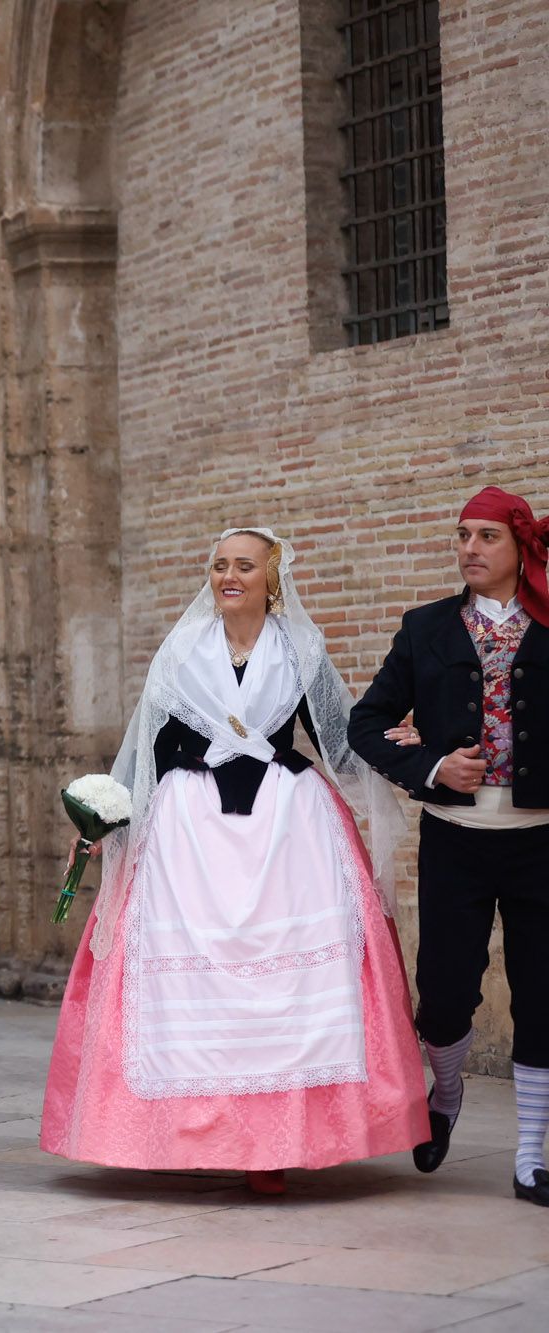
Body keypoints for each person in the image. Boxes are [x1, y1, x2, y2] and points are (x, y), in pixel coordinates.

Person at [42, 528, 426, 1194]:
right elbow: (147, 751)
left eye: (243, 566)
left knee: (286, 982)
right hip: (188, 828)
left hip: (288, 826)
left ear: (271, 576)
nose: (228, 575)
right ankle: (185, 1132)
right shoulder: (181, 650)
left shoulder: (300, 648)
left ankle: (272, 1147)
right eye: (219, 564)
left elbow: (341, 739)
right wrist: (105, 822)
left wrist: (413, 751)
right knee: (188, 979)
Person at [350, 487, 549, 1207]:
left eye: (487, 536)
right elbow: (365, 723)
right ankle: (448, 1090)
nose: (469, 547)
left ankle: (531, 1158)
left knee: (544, 996)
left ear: (520, 547)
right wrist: (432, 765)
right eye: (463, 534)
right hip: (455, 842)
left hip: (542, 847)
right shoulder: (426, 626)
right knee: (442, 994)